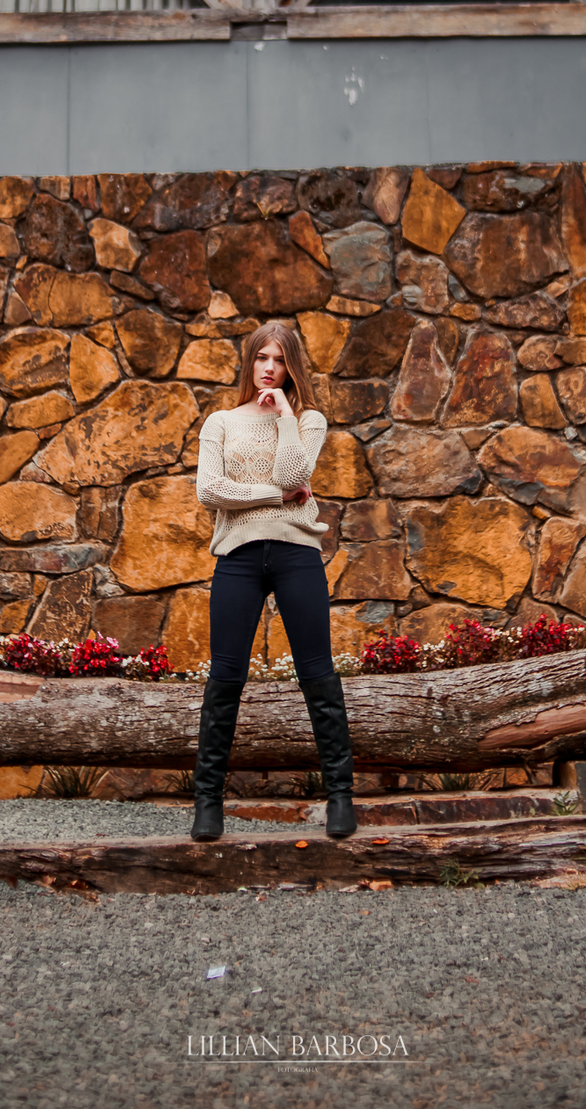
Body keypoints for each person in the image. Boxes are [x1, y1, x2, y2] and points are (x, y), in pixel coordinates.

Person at [191, 321, 356, 843]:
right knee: (226, 677)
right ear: (250, 362)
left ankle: (340, 798)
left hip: (296, 554)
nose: (269, 367)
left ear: (291, 367)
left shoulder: (307, 419)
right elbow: (209, 489)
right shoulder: (220, 421)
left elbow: (295, 477)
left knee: (317, 673)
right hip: (238, 556)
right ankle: (207, 804)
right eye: (261, 357)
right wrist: (273, 497)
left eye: (279, 360)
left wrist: (285, 414)